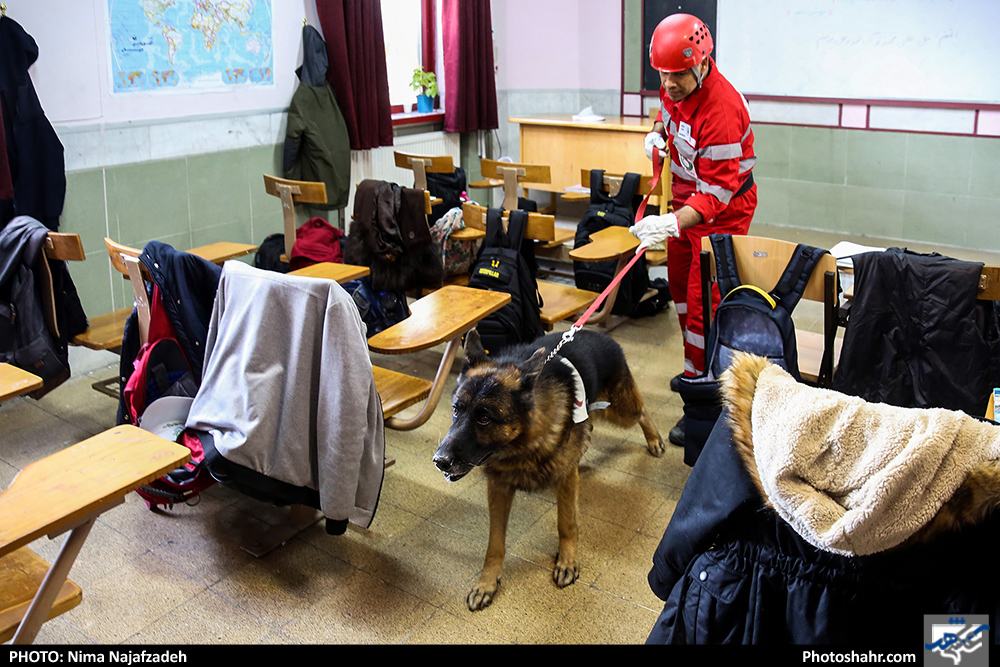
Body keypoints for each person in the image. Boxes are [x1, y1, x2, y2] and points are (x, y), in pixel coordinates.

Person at [629, 13, 757, 448]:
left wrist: (668, 223)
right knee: (681, 289)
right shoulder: (674, 89)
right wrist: (656, 135)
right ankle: (694, 366)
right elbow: (667, 117)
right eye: (663, 76)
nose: (669, 85)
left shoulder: (720, 108)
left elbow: (718, 195)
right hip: (688, 205)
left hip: (722, 213)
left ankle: (704, 404)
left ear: (702, 63)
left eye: (678, 75)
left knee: (705, 303)